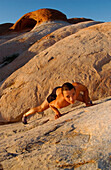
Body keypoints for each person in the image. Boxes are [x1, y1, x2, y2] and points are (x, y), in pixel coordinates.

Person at [22, 82, 93, 124]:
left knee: (85, 99)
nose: (71, 99)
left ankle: (72, 94)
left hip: (65, 90)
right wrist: (57, 113)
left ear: (75, 90)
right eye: (68, 97)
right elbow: (51, 105)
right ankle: (25, 115)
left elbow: (85, 90)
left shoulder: (78, 87)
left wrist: (87, 102)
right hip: (55, 94)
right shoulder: (59, 102)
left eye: (74, 94)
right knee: (41, 108)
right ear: (63, 96)